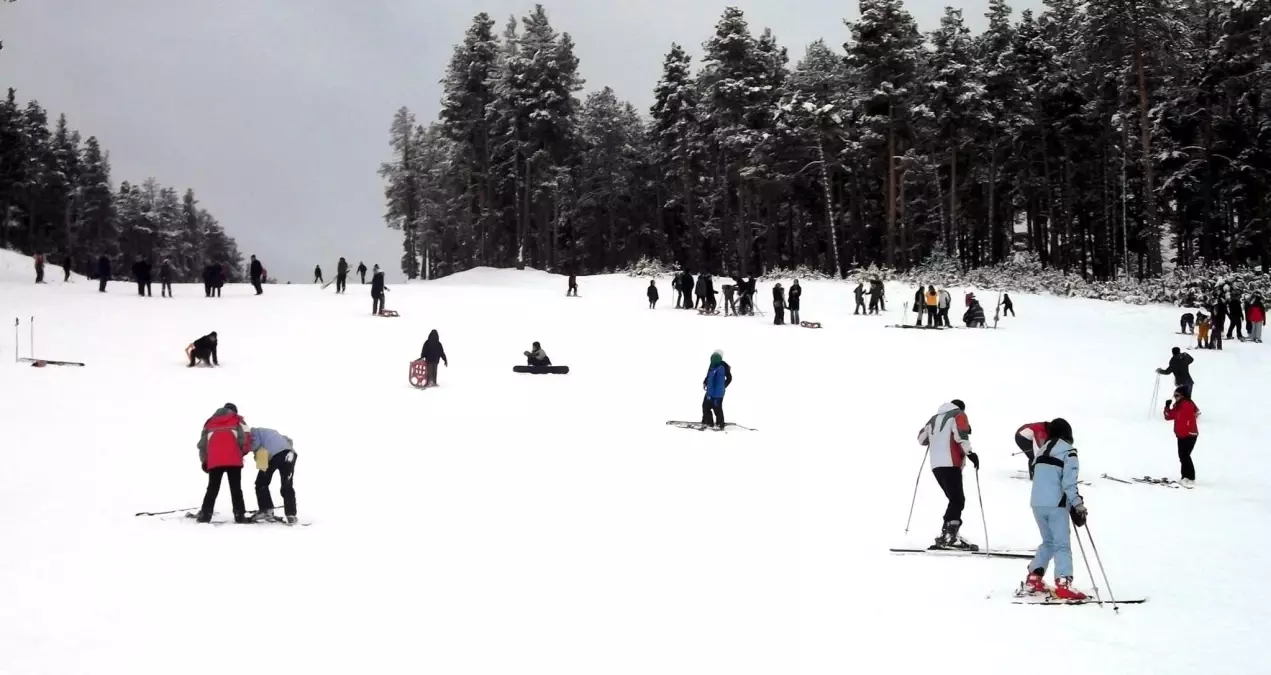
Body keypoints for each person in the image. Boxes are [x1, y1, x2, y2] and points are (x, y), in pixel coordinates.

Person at [1021, 418, 1087, 600]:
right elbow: (1068, 483)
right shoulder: (1068, 452)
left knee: (1048, 541)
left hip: (1037, 502)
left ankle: (1034, 577)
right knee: (1061, 544)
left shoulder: (1041, 451)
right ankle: (1064, 583)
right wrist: (1078, 505)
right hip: (1056, 503)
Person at [916, 399, 978, 549]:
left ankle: (947, 535)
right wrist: (970, 453)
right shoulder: (959, 414)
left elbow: (921, 439)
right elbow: (961, 435)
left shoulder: (934, 418)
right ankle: (950, 537)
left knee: (954, 499)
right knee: (957, 500)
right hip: (951, 462)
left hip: (936, 465)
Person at [195, 403, 252, 524]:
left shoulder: (209, 422)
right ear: (234, 411)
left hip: (215, 460)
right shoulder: (238, 420)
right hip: (234, 460)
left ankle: (205, 516)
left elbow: (202, 445)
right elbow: (246, 438)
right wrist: (241, 453)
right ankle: (240, 516)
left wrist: (205, 461)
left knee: (212, 488)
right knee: (236, 488)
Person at [249, 426, 298, 524]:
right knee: (287, 484)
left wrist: (244, 450)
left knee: (261, 483)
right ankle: (291, 514)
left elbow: (256, 446)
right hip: (290, 453)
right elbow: (289, 440)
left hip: (275, 456)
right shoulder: (271, 432)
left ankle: (266, 510)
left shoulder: (253, 433)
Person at [1164, 386, 1200, 486]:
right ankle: (1185, 477)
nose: (1175, 397)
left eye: (1177, 395)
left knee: (1185, 456)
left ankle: (1191, 478)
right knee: (1183, 456)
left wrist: (1174, 410)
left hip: (1189, 434)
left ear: (1183, 395)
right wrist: (1167, 407)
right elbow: (1168, 416)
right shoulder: (1179, 405)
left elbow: (1189, 413)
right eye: (1174, 395)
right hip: (1181, 435)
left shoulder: (1186, 404)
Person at [702, 350, 730, 429]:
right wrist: (705, 382)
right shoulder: (712, 365)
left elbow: (729, 378)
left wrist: (723, 386)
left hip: (717, 393)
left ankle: (720, 424)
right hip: (710, 391)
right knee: (705, 406)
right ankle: (708, 422)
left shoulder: (724, 366)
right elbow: (709, 375)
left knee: (717, 409)